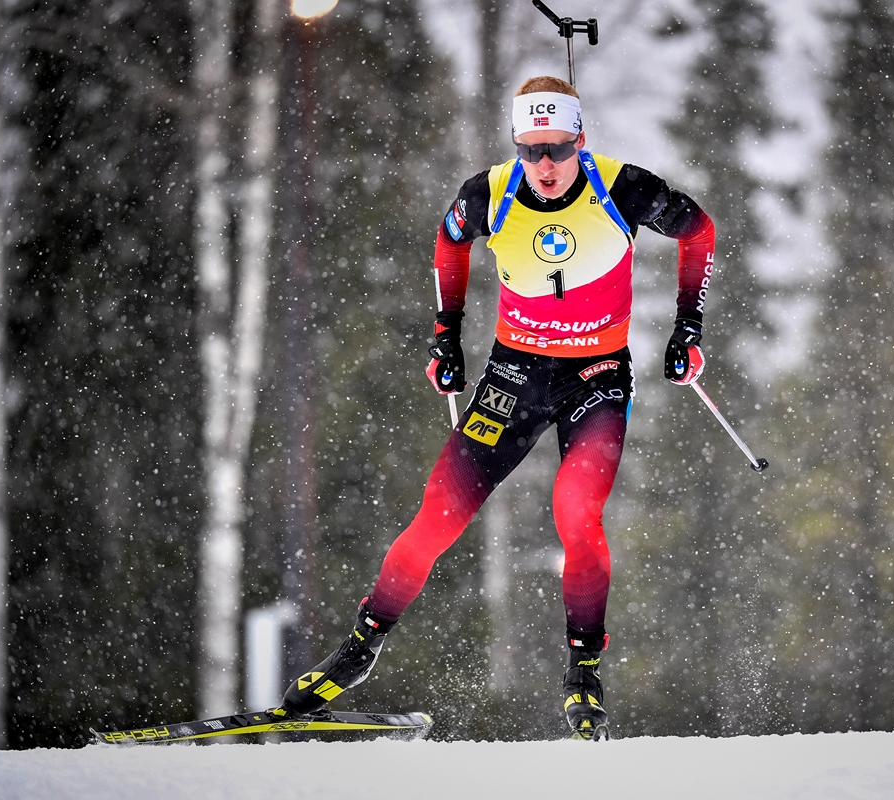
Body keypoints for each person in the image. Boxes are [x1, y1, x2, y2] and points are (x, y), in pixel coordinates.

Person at [276, 76, 715, 740]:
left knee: (576, 511)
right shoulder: (489, 192)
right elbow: (449, 243)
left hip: (596, 377)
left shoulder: (622, 186)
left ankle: (583, 674)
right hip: (513, 374)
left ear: (580, 141)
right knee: (438, 515)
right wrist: (444, 337)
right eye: (531, 148)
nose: (544, 165)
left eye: (558, 149)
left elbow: (700, 230)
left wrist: (688, 329)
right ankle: (360, 648)